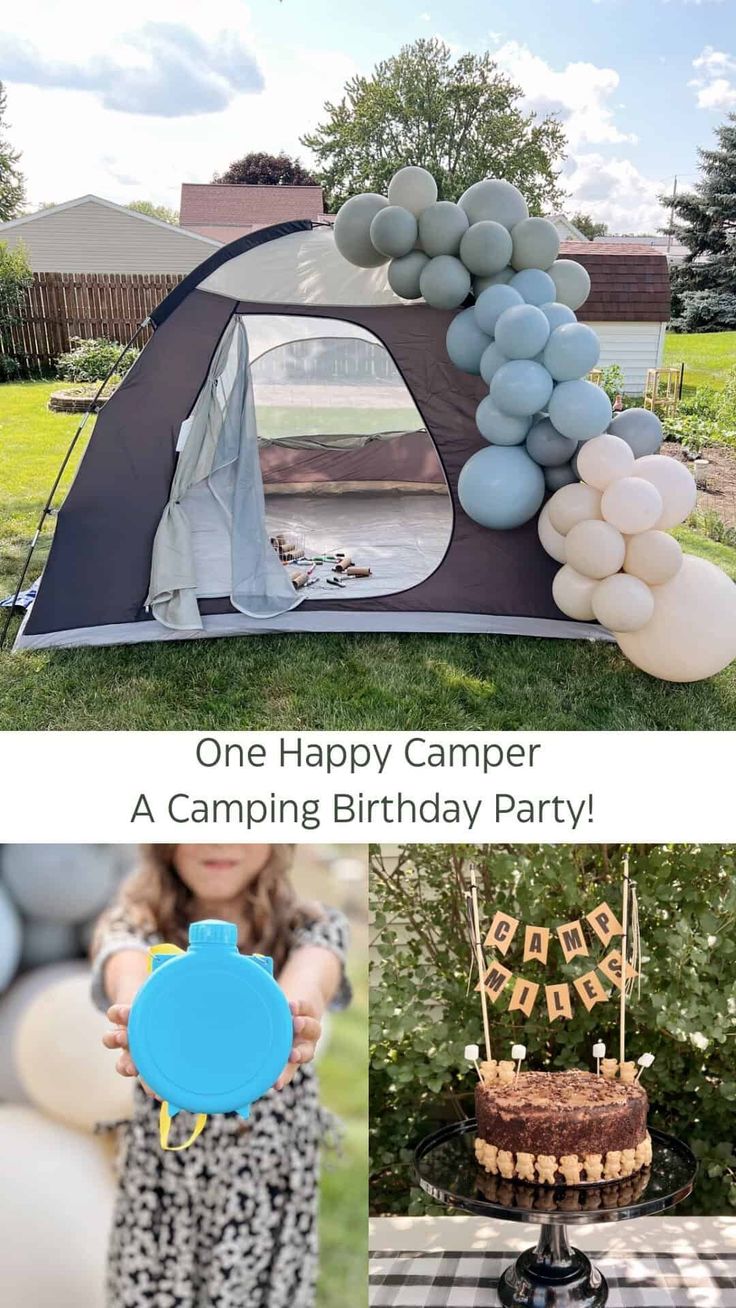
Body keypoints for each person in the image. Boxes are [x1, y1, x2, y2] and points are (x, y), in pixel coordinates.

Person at [93, 844, 350, 1308]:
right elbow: (126, 970)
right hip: (163, 1183)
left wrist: (287, 1025)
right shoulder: (131, 922)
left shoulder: (314, 925)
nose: (218, 839)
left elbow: (307, 983)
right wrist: (139, 1018)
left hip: (265, 1178)